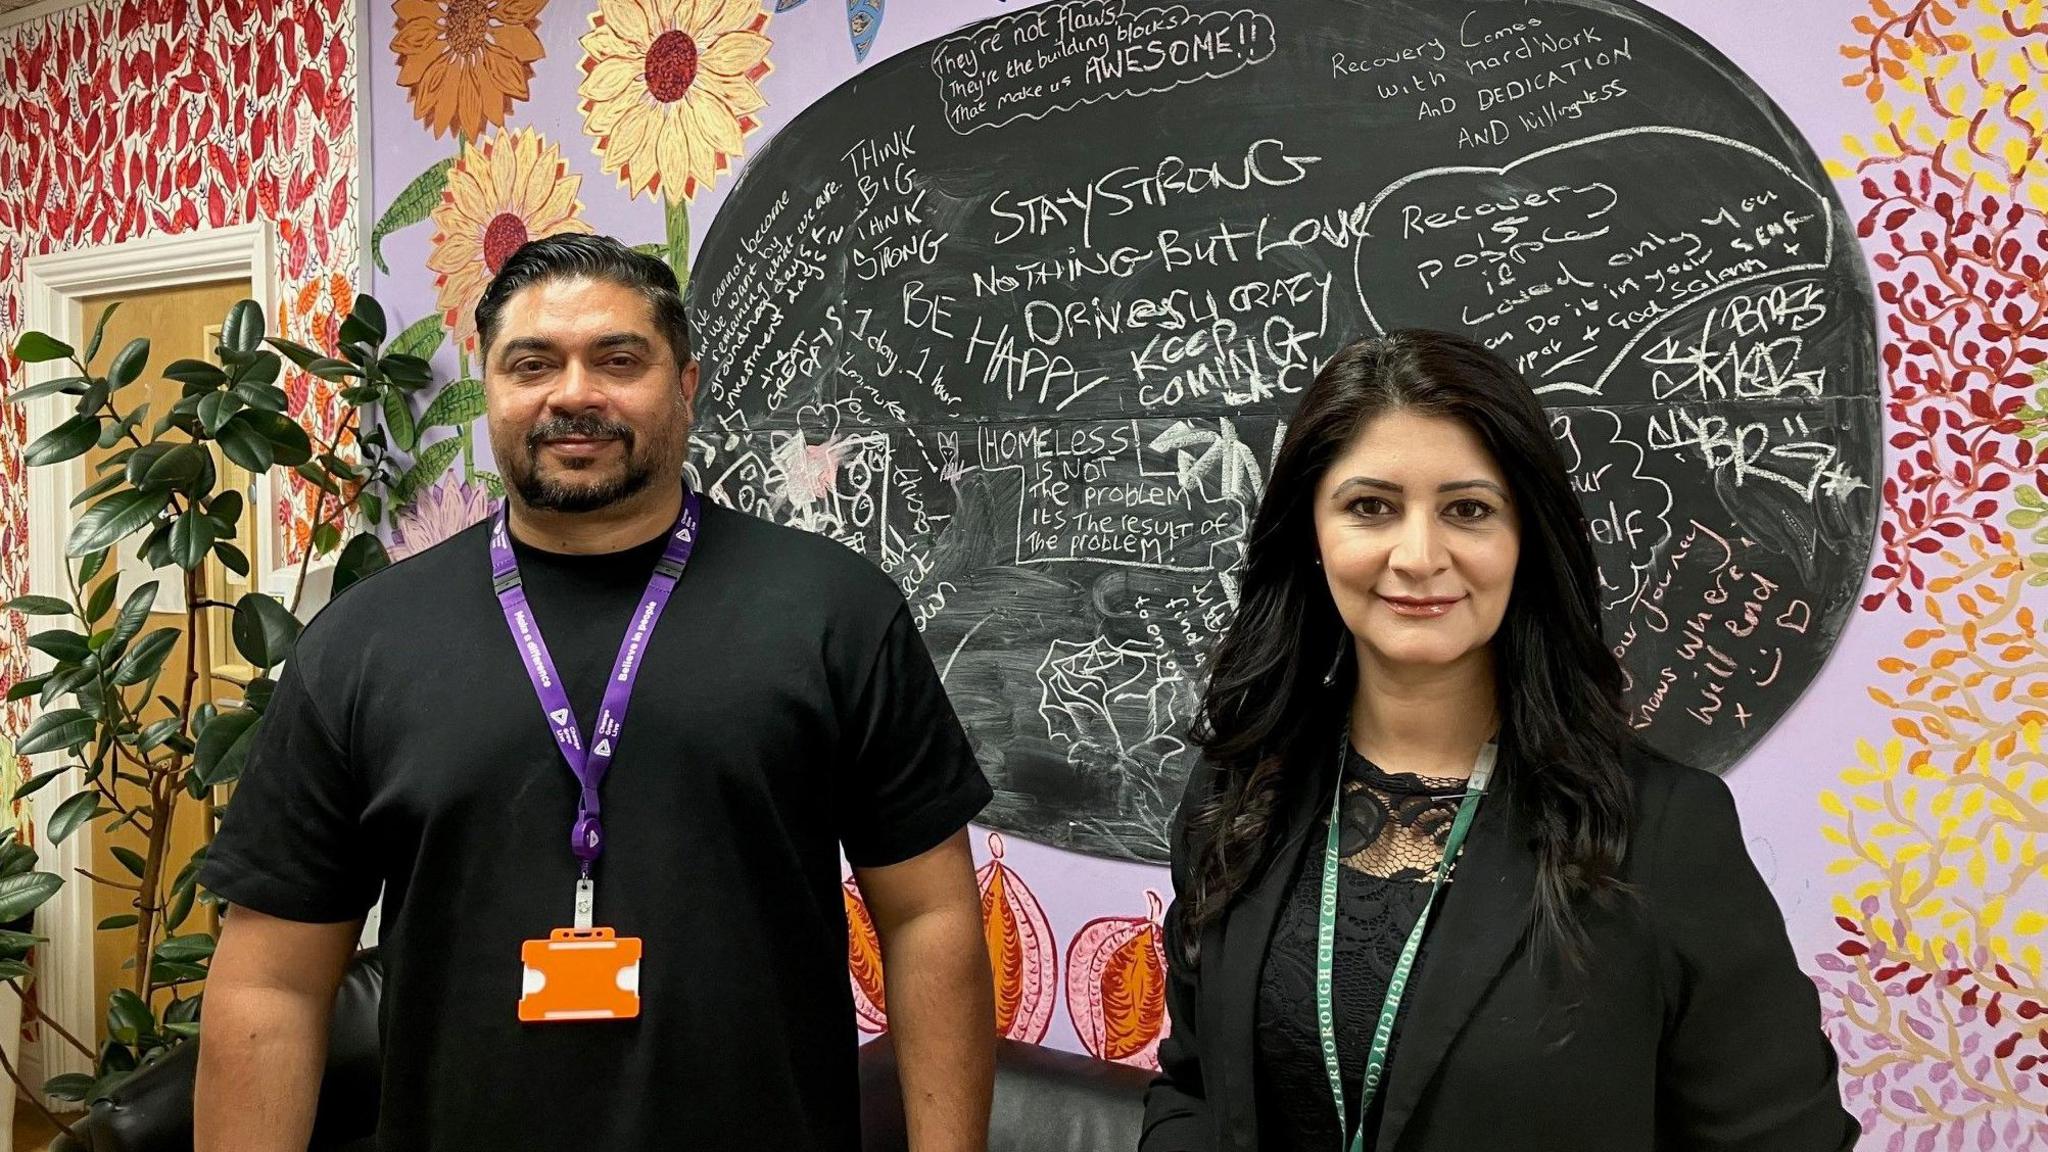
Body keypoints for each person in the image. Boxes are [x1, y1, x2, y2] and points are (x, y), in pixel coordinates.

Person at [195, 234, 996, 1151]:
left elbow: (929, 917)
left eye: (618, 359)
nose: (574, 393)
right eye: (532, 363)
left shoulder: (836, 612)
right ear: (490, 391)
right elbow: (273, 980)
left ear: (686, 388)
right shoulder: (359, 645)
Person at [1140, 330, 1856, 1152]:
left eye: (1467, 510)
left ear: (1525, 540)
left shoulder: (1661, 833)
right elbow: (1195, 1088)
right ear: (1312, 533)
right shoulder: (1239, 795)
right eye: (1370, 506)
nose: (1418, 556)